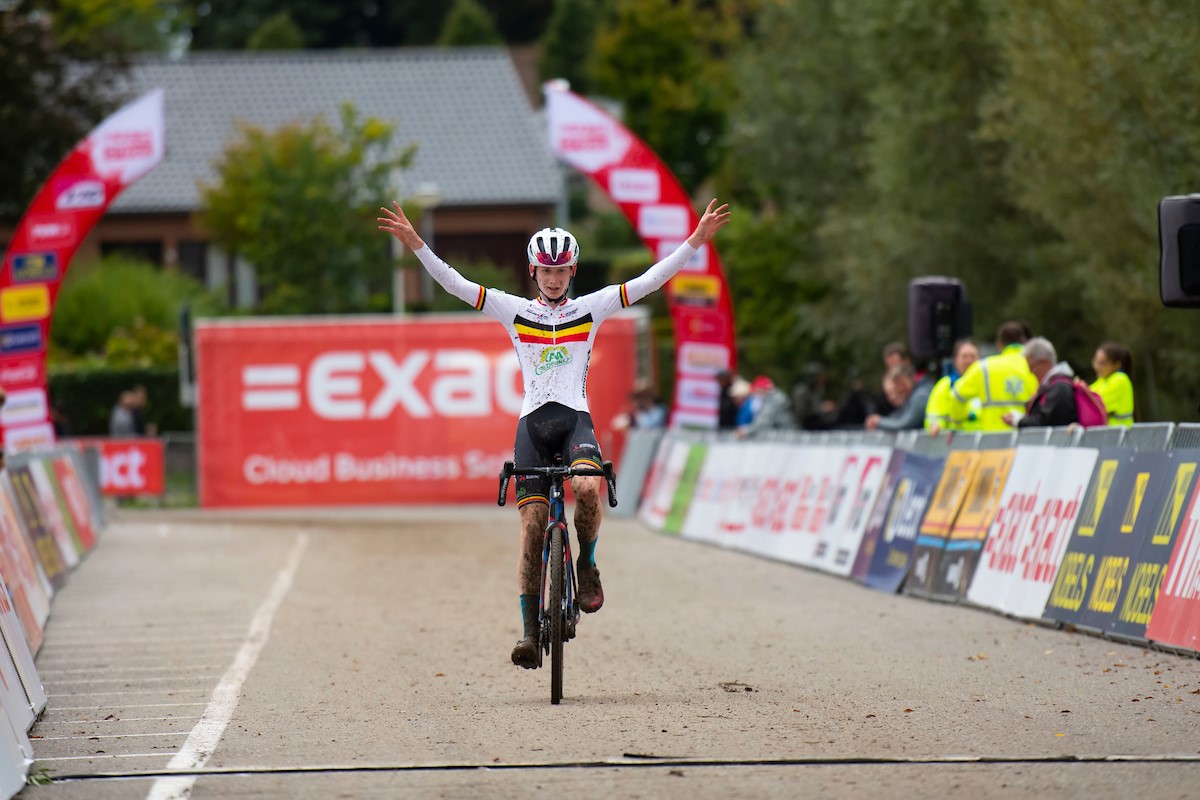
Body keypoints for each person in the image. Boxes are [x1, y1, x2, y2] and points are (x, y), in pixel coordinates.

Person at [379, 197, 731, 669]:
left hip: (574, 420)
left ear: (573, 270)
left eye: (562, 270)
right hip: (533, 425)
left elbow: (649, 281)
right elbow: (457, 285)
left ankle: (586, 565)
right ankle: (528, 633)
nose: (554, 278)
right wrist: (418, 245)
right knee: (530, 527)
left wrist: (694, 242)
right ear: (532, 271)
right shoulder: (513, 311)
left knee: (588, 487)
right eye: (546, 271)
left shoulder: (591, 308)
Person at [949, 321, 1038, 431]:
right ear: (1024, 342)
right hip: (1029, 439)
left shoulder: (983, 367)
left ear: (999, 344)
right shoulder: (1036, 366)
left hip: (993, 442)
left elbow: (956, 396)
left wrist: (959, 422)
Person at [1004, 337, 1078, 428]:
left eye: (1031, 367)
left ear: (1044, 362)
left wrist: (1020, 421)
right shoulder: (1055, 386)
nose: (1030, 372)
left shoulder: (1059, 388)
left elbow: (1045, 422)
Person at [925, 338, 982, 435]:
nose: (969, 361)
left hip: (988, 445)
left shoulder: (987, 383)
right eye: (964, 357)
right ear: (956, 360)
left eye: (973, 356)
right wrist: (936, 425)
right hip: (957, 446)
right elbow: (934, 415)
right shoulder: (946, 385)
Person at [864, 365, 932, 431]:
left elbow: (905, 424)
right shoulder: (913, 396)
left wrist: (878, 421)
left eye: (892, 391)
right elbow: (898, 417)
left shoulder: (920, 396)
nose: (900, 388)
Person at [1090, 341, 1135, 427]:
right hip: (1111, 437)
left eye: (1102, 363)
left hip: (1121, 437)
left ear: (1117, 364)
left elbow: (1092, 402)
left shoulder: (1120, 379)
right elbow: (1086, 394)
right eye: (1096, 362)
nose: (1097, 367)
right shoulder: (1103, 380)